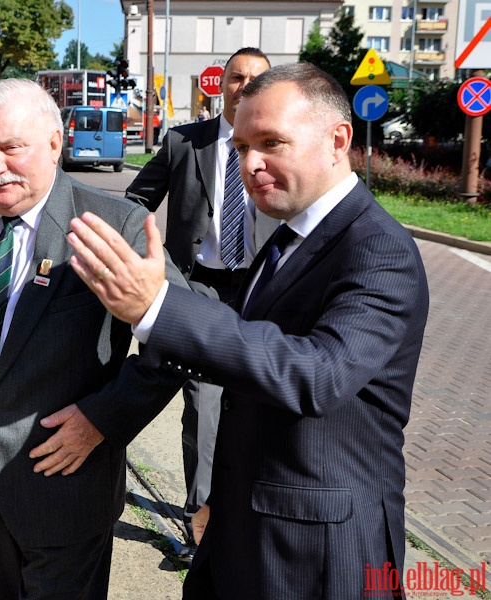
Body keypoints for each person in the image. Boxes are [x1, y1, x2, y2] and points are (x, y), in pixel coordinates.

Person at [64, 63, 429, 598]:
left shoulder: (379, 250)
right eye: (239, 147)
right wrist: (221, 498)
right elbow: (241, 358)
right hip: (243, 528)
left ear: (338, 141)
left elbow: (314, 375)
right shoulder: (289, 238)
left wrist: (159, 306)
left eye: (272, 143)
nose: (250, 164)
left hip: (318, 556)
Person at [0, 78, 186, 600]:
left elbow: (178, 340)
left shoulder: (116, 224)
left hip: (67, 490)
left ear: (54, 143)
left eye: (11, 148)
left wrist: (102, 420)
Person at [125, 46, 277, 559]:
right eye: (237, 77)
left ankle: (245, 510)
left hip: (259, 290)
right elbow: (133, 203)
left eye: (257, 78)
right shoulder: (183, 143)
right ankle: (202, 524)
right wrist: (161, 272)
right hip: (199, 287)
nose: (245, 85)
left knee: (257, 403)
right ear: (222, 84)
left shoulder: (277, 147)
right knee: (205, 405)